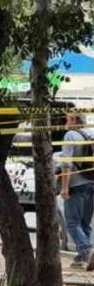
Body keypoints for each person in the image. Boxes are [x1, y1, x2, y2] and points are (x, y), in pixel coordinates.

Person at [61, 112, 94, 270]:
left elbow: (66, 164)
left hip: (76, 184)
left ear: (74, 120)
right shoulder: (91, 133)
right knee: (85, 223)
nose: (66, 121)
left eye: (68, 119)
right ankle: (82, 259)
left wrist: (65, 187)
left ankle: (87, 250)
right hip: (92, 183)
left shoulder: (70, 135)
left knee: (72, 223)